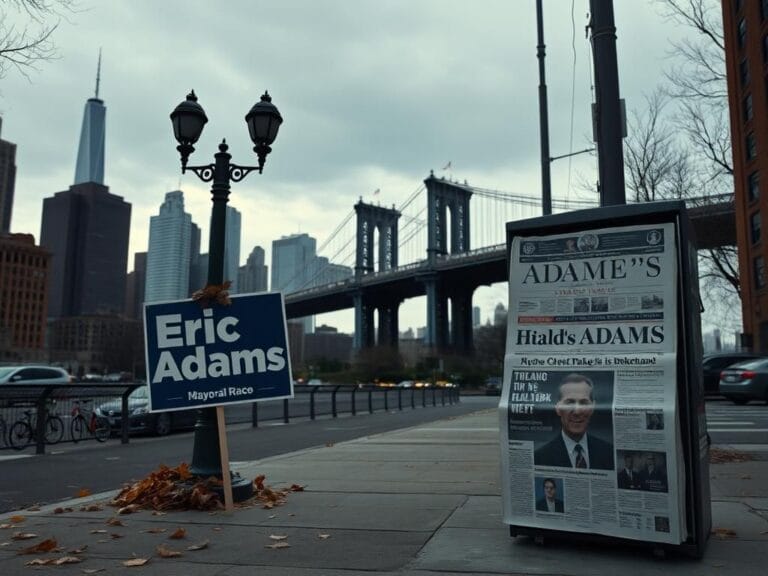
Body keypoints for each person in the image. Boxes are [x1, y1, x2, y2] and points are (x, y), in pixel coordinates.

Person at [534, 373, 614, 470]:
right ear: (558, 408)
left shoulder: (609, 452)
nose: (577, 411)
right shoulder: (539, 457)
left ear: (593, 407)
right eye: (569, 403)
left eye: (584, 403)